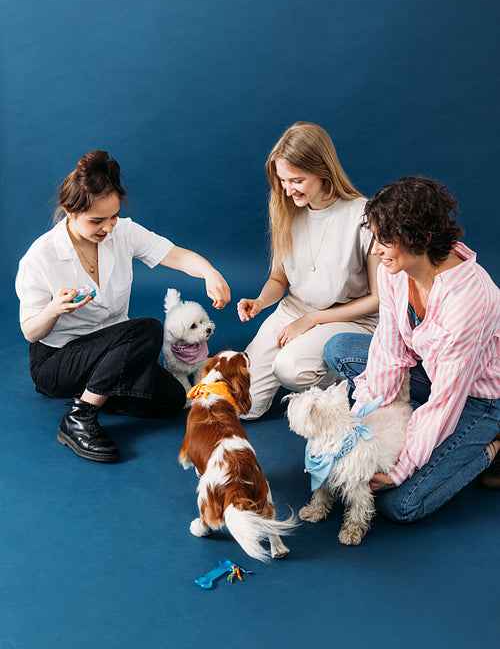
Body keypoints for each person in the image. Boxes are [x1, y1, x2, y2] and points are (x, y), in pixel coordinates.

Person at [15, 150, 231, 463]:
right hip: (58, 359)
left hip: (115, 353)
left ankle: (92, 390)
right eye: (96, 221)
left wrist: (210, 272)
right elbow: (30, 333)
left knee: (171, 400)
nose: (108, 228)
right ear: (68, 212)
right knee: (149, 329)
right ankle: (80, 416)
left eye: (114, 216)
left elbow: (178, 256)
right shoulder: (40, 256)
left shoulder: (124, 232)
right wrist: (54, 310)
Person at [323, 175, 500, 523]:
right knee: (340, 347)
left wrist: (399, 468)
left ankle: (491, 447)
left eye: (385, 240)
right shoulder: (395, 272)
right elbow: (388, 353)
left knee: (400, 504)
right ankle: (416, 424)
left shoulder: (469, 300)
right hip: (433, 375)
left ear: (422, 238)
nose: (375, 250)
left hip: (480, 397)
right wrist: (360, 427)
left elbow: (446, 400)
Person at [237, 121, 380, 419]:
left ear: (323, 170)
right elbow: (279, 278)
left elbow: (378, 299)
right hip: (296, 309)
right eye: (282, 180)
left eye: (296, 180)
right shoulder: (285, 210)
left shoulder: (363, 215)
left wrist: (312, 320)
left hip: (352, 316)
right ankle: (312, 356)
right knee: (240, 401)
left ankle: (345, 374)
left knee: (289, 368)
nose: (288, 189)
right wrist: (261, 302)